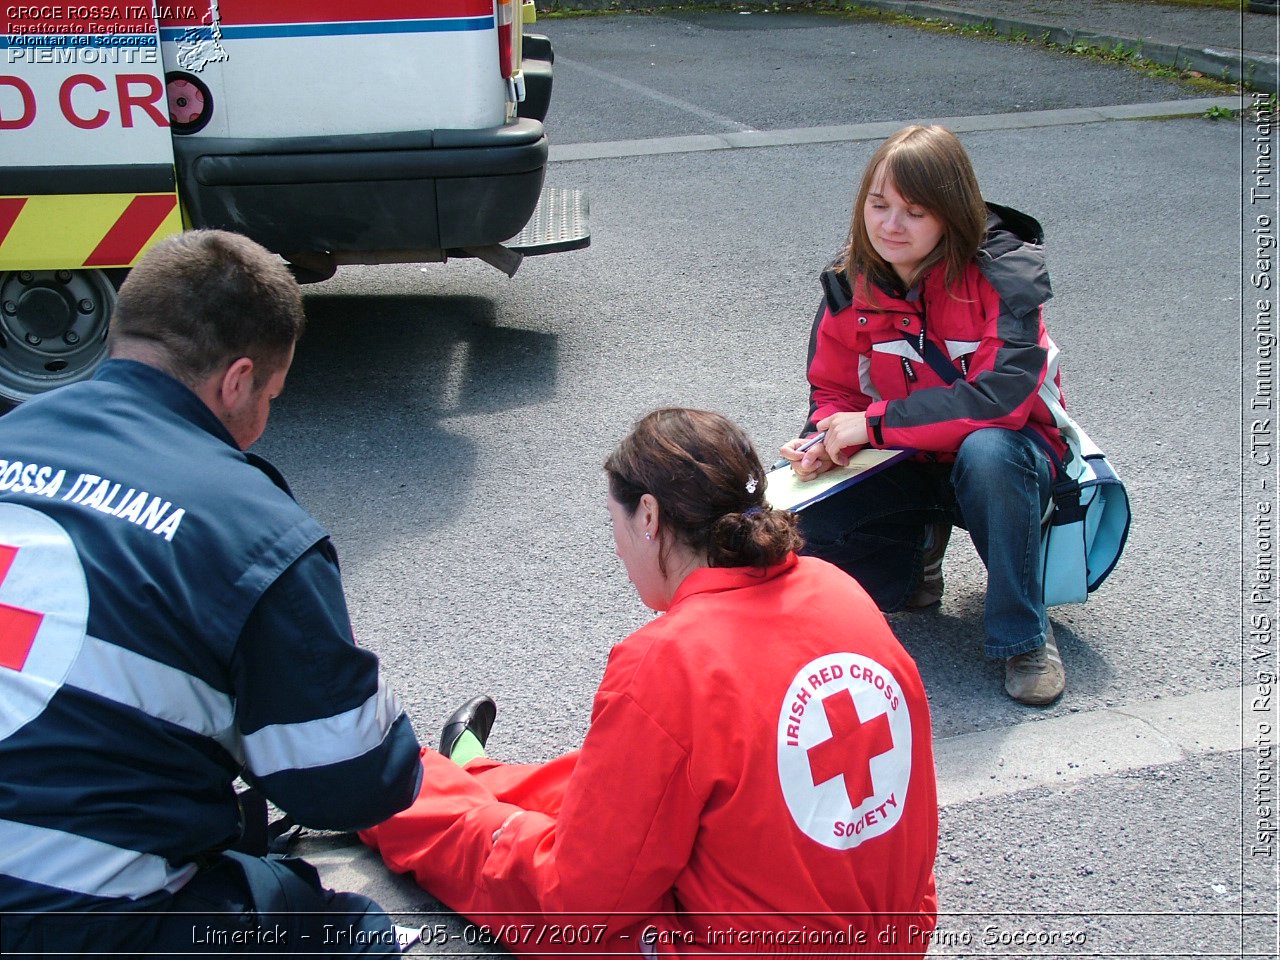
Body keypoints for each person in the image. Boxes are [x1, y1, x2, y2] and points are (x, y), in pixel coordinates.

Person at [361, 408, 938, 956]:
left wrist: (474, 834)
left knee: (499, 845)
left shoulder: (668, 658)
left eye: (614, 523)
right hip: (891, 939)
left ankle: (386, 782)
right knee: (639, 769)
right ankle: (471, 772)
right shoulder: (835, 588)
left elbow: (579, 902)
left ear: (649, 517)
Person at [0, 230, 423, 956]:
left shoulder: (13, 433)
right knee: (342, 928)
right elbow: (353, 783)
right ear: (237, 380)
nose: (261, 420)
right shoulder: (251, 528)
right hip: (77, 923)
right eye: (272, 395)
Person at [777, 124, 1068, 705]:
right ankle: (916, 567)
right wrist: (822, 439)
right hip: (905, 458)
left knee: (989, 451)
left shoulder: (1004, 276)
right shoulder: (850, 283)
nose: (890, 226)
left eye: (914, 212)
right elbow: (833, 393)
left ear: (951, 214)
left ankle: (1023, 634)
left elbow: (1001, 400)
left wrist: (874, 425)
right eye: (878, 206)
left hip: (1009, 463)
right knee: (795, 526)